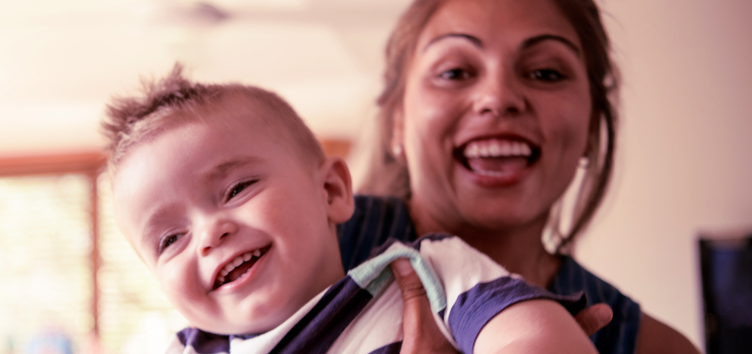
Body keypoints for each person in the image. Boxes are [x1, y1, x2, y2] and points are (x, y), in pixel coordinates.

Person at [102, 67, 598, 353]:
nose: (210, 234)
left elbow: (536, 342)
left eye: (236, 189)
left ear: (333, 192)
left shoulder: (422, 274)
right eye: (169, 239)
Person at [343, 0, 701, 353]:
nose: (498, 98)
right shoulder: (304, 247)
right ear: (397, 123)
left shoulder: (658, 348)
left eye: (545, 73)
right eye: (454, 72)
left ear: (592, 126)